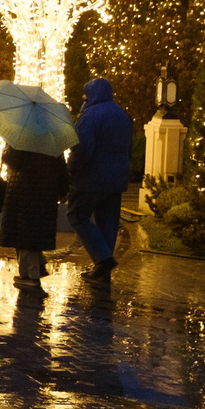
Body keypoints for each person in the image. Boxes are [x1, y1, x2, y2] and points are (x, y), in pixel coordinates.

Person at [66, 76, 133, 281]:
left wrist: (70, 171)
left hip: (92, 178)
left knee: (77, 215)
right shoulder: (123, 115)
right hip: (117, 179)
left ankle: (103, 258)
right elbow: (128, 149)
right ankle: (103, 270)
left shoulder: (91, 115)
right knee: (108, 222)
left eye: (85, 95)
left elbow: (82, 149)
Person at [0, 144, 68, 295]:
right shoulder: (52, 138)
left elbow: (12, 160)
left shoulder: (22, 138)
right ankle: (38, 265)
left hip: (23, 191)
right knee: (34, 231)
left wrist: (6, 150)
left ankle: (31, 276)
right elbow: (61, 167)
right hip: (46, 192)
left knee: (23, 235)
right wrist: (63, 190)